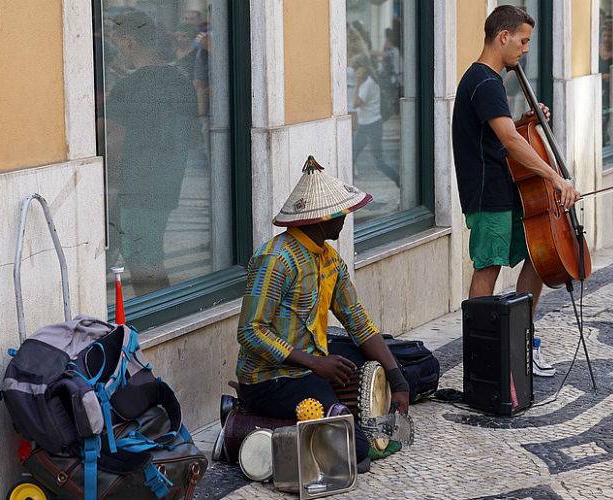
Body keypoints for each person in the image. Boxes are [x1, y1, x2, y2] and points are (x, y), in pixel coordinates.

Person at [235, 156, 410, 472]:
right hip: (271, 379)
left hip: (310, 366)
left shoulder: (330, 259)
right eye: (340, 212)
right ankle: (241, 422)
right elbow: (250, 332)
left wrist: (397, 380)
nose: (346, 216)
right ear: (320, 218)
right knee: (355, 452)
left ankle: (332, 409)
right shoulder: (275, 260)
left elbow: (358, 322)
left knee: (392, 364)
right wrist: (315, 363)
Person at [451, 6, 581, 377]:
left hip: (507, 192)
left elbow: (502, 131)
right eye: (522, 41)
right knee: (487, 269)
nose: (524, 49)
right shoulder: (485, 81)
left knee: (539, 260)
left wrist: (525, 121)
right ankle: (480, 355)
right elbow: (508, 140)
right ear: (503, 36)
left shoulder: (488, 82)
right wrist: (556, 178)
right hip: (488, 194)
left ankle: (523, 341)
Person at [104, 11, 197, 292]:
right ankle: (161, 314)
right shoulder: (180, 81)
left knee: (143, 263)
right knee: (147, 257)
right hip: (166, 184)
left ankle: (158, 322)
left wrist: (108, 188)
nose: (117, 50)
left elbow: (113, 142)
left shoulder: (127, 87)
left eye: (116, 41)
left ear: (130, 42)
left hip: (135, 187)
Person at [351, 56, 399, 185]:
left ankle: (400, 181)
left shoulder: (368, 84)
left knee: (379, 162)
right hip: (364, 126)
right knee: (351, 157)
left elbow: (356, 103)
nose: (356, 72)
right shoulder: (368, 82)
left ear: (364, 69)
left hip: (372, 127)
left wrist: (356, 83)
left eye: (358, 68)